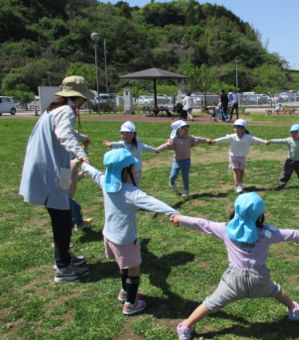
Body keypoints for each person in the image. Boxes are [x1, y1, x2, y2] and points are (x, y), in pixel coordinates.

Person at [171, 192, 299, 339]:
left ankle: (186, 327)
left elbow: (201, 223)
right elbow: (290, 234)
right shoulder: (268, 232)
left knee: (211, 303)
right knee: (275, 290)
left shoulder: (225, 229)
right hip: (260, 279)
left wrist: (180, 218)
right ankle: (293, 309)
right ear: (260, 215)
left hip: (233, 282)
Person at [80, 148, 180, 315]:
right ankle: (131, 304)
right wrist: (175, 213)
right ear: (124, 171)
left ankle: (125, 292)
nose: (134, 170)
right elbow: (152, 202)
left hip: (109, 236)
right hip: (125, 240)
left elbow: (94, 173)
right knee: (134, 269)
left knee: (123, 266)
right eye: (131, 168)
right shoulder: (130, 192)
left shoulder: (104, 181)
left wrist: (83, 164)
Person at [19, 75, 94, 282]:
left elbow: (63, 132)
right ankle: (62, 268)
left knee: (63, 215)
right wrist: (81, 153)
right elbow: (64, 135)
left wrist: (82, 138)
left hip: (54, 169)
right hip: (51, 172)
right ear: (80, 97)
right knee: (62, 220)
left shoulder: (53, 110)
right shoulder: (66, 111)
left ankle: (64, 257)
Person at [156, 120, 211, 198]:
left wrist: (206, 140)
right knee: (173, 176)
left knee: (185, 177)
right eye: (183, 129)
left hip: (187, 161)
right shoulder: (174, 140)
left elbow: (198, 139)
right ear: (178, 131)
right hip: (177, 161)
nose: (186, 131)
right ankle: (172, 183)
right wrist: (158, 149)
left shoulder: (189, 138)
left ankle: (186, 191)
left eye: (187, 129)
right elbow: (166, 145)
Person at [212, 119, 268, 193]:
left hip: (242, 156)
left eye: (239, 127)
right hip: (233, 156)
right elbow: (223, 139)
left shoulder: (248, 137)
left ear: (244, 129)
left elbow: (256, 139)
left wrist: (265, 142)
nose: (237, 129)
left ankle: (240, 183)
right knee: (236, 171)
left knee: (241, 171)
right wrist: (214, 141)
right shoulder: (231, 137)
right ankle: (237, 186)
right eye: (235, 127)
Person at [103, 121, 160, 186]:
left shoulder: (139, 144)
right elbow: (117, 144)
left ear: (133, 134)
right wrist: (110, 144)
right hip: (125, 170)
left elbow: (147, 148)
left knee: (135, 184)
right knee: (125, 185)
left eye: (127, 133)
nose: (124, 136)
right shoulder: (122, 144)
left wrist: (155, 150)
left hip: (136, 170)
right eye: (122, 133)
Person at [268, 124, 299, 191]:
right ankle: (281, 184)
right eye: (292, 133)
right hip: (290, 161)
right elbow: (281, 141)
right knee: (286, 173)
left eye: (295, 133)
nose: (293, 135)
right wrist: (272, 141)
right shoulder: (289, 140)